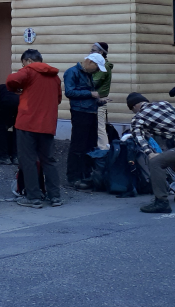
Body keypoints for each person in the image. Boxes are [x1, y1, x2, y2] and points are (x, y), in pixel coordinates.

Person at [6, 49, 62, 208]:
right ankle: (55, 196)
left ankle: (33, 197)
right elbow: (57, 99)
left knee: (28, 160)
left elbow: (11, 79)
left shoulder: (29, 71)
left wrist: (15, 90)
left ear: (28, 61)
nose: (22, 66)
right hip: (47, 124)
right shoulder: (55, 77)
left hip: (27, 123)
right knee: (49, 160)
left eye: (23, 63)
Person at [63, 53, 108, 190]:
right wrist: (91, 94)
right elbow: (69, 92)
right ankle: (74, 177)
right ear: (89, 62)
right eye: (96, 67)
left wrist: (98, 101)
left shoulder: (87, 73)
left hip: (90, 111)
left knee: (90, 144)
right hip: (80, 112)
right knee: (78, 145)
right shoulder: (72, 72)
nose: (97, 70)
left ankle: (86, 174)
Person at [90, 42, 114, 153]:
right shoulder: (101, 66)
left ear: (100, 52)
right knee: (97, 127)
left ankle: (104, 152)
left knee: (100, 128)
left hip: (99, 101)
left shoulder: (102, 67)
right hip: (96, 101)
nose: (90, 53)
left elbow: (93, 83)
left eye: (93, 50)